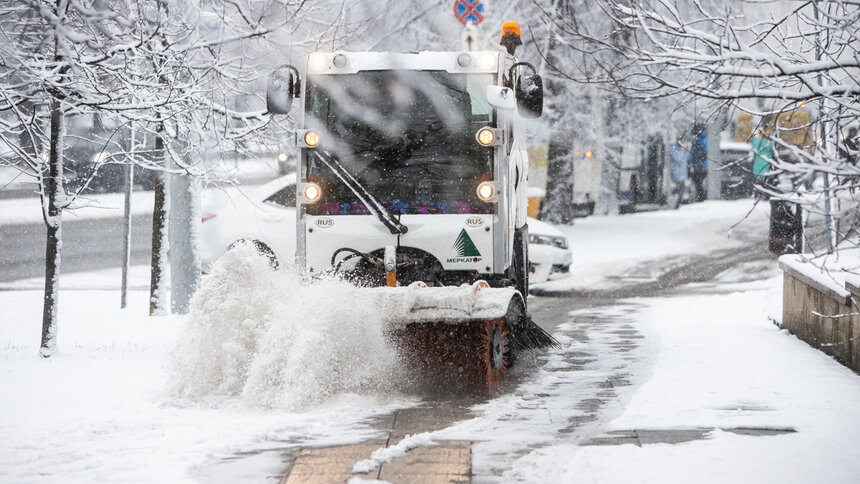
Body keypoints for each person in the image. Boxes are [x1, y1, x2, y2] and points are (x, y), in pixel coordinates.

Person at [668, 136, 690, 209]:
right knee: (678, 189)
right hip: (676, 173)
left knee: (681, 189)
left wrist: (686, 150)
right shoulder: (674, 149)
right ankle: (675, 203)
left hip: (682, 173)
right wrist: (684, 150)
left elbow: (687, 158)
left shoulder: (682, 150)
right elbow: (678, 159)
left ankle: (677, 203)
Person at [689, 123, 708, 202]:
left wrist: (704, 166)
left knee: (698, 181)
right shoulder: (698, 140)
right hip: (698, 166)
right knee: (697, 181)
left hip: (701, 166)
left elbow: (705, 154)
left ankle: (701, 196)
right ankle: (701, 196)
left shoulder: (703, 141)